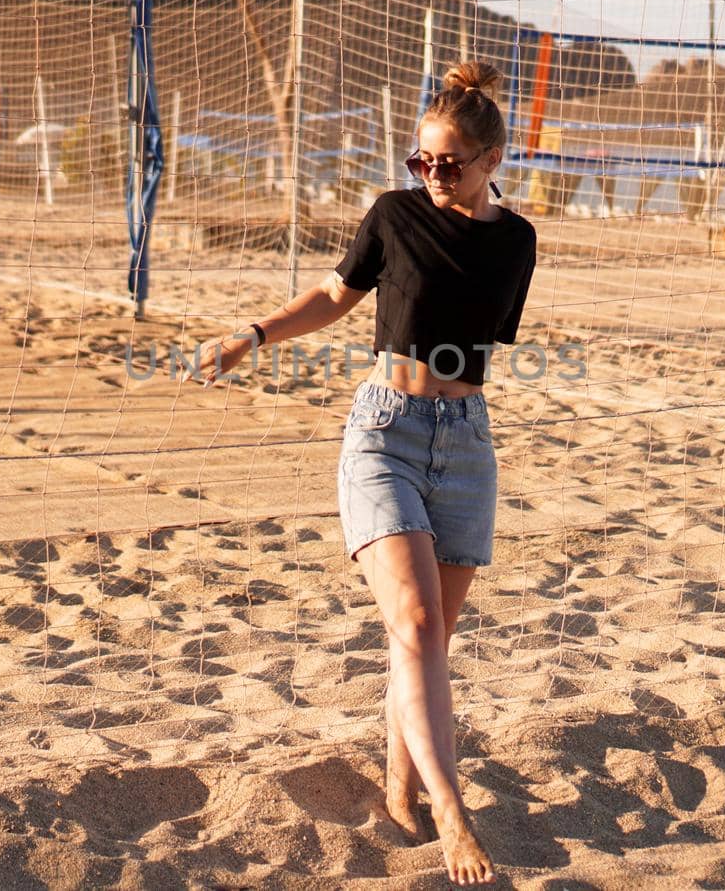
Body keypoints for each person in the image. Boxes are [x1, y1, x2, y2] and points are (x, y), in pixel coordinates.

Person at [187, 61, 536, 885]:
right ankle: (454, 816)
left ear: (493, 159)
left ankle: (400, 791)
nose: (431, 174)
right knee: (415, 623)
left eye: (448, 163)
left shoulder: (517, 240)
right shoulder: (392, 214)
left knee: (427, 642)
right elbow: (334, 295)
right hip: (384, 430)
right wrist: (253, 334)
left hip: (467, 444)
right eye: (421, 161)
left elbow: (479, 343)